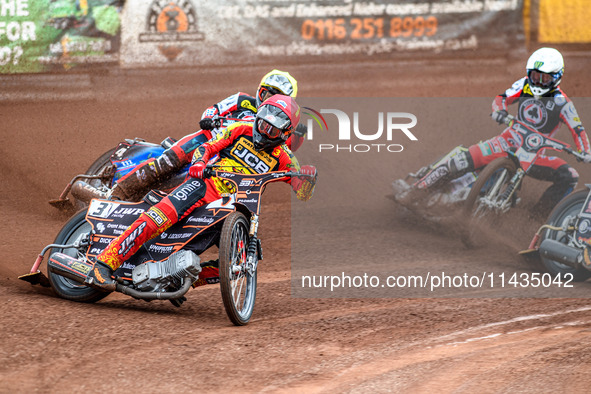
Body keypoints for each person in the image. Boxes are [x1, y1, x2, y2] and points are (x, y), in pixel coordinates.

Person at [84, 95, 317, 290]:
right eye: (262, 124)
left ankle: (175, 279)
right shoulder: (240, 129)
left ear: (285, 134)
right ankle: (103, 265)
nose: (263, 132)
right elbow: (207, 147)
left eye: (271, 130)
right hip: (204, 187)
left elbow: (303, 192)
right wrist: (199, 162)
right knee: (157, 218)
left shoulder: (286, 159)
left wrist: (308, 178)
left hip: (236, 209)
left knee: (245, 261)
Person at [402, 47, 590, 217]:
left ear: (557, 76)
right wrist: (499, 110)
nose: (539, 82)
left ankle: (536, 218)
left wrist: (585, 151)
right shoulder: (524, 85)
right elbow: (502, 98)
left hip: (533, 155)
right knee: (460, 161)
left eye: (545, 78)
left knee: (570, 175)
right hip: (505, 142)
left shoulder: (563, 103)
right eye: (535, 76)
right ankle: (414, 192)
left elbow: (578, 130)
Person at [111, 69, 307, 201]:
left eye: (277, 97)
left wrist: (298, 137)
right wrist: (210, 120)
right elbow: (212, 110)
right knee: (168, 161)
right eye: (267, 94)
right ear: (259, 91)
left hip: (231, 160)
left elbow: (286, 147)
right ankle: (116, 193)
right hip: (208, 140)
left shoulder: (281, 128)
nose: (270, 101)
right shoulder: (241, 100)